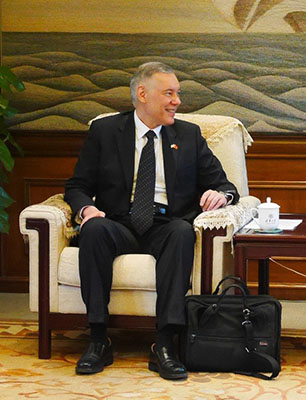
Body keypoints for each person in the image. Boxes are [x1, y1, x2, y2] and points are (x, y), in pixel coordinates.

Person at [64, 62, 239, 380]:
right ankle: (98, 339)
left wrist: (220, 196)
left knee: (182, 232)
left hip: (166, 224)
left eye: (178, 94)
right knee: (94, 229)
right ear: (143, 94)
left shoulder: (188, 135)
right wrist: (86, 210)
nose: (177, 101)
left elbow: (226, 186)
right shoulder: (105, 131)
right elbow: (77, 186)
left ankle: (165, 344)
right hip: (118, 222)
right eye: (169, 93)